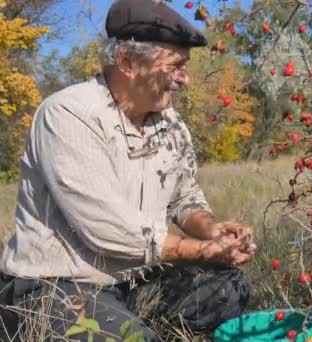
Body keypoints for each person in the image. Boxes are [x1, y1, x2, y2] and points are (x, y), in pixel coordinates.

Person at [0, 0, 256, 340]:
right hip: (58, 286)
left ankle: (129, 318)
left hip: (133, 280)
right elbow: (107, 229)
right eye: (176, 66)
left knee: (228, 287)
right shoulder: (68, 114)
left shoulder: (171, 123)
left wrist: (213, 231)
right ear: (127, 61)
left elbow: (185, 198)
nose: (186, 79)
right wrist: (202, 250)